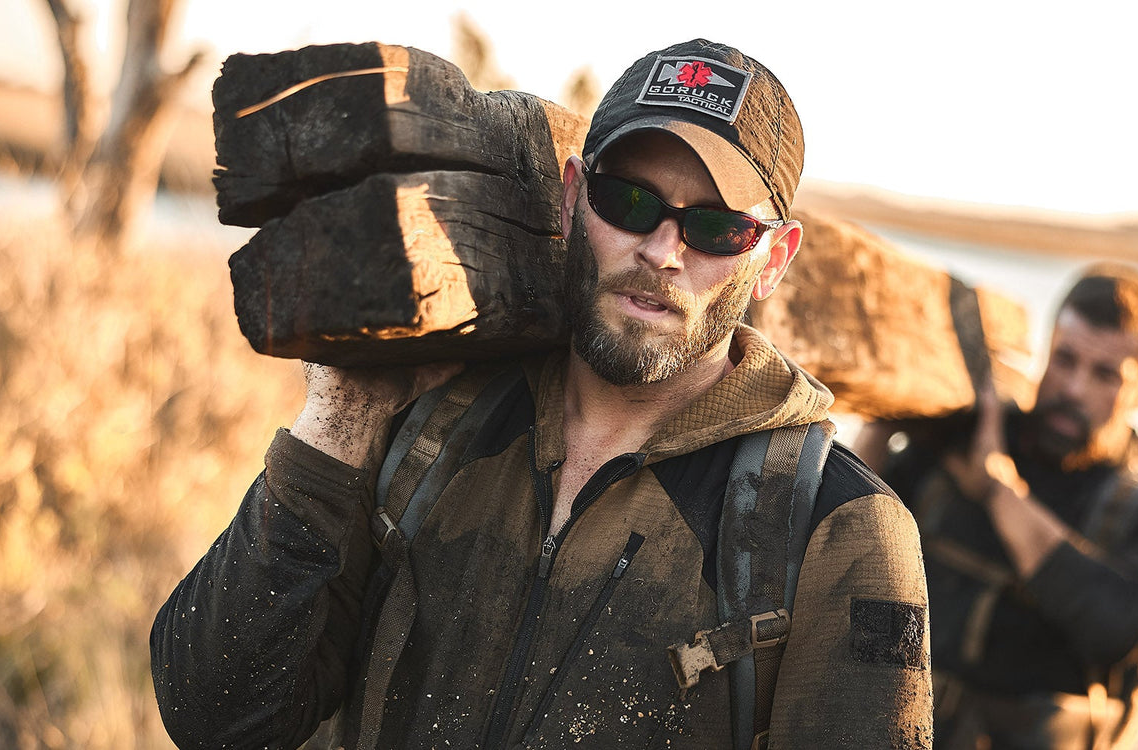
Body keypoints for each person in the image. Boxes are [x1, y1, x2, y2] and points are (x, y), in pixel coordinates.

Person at [152, 39, 932, 749]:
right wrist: (340, 415)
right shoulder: (435, 420)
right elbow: (216, 717)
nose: (662, 251)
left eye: (717, 228)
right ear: (571, 199)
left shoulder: (839, 530)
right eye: (629, 202)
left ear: (773, 259)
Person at [855, 264, 1138, 750]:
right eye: (1064, 360)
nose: (1074, 389)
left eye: (1105, 375)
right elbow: (849, 549)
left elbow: (1122, 631)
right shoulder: (968, 435)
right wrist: (881, 422)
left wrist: (1000, 494)